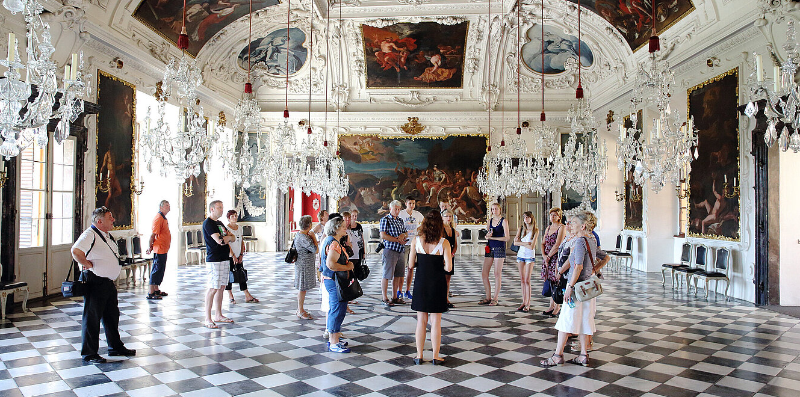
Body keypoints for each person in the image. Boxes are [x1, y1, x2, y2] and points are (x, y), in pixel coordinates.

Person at [540, 212, 606, 368]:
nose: (570, 225)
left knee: (565, 320)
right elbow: (603, 257)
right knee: (585, 320)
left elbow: (578, 266)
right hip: (588, 288)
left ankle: (557, 356)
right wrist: (593, 271)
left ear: (582, 226)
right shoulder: (591, 239)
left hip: (576, 288)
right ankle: (583, 355)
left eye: (574, 222)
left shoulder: (581, 241)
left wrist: (569, 287)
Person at [71, 206, 136, 364]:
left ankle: (115, 347)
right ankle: (89, 353)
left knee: (111, 316)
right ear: (99, 221)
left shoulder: (105, 235)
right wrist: (87, 264)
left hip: (107, 282)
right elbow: (76, 251)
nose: (113, 219)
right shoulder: (89, 234)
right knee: (92, 318)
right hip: (95, 281)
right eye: (109, 217)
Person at [409, 210, 453, 365]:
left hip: (421, 282)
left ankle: (419, 355)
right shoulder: (444, 243)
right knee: (436, 321)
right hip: (437, 283)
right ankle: (435, 356)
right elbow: (448, 268)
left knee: (421, 321)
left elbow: (410, 264)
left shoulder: (416, 240)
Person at [319, 217, 355, 353]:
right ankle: (333, 342)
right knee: (337, 309)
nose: (346, 228)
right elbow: (331, 265)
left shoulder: (331, 241)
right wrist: (348, 267)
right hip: (334, 281)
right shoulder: (333, 243)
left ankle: (334, 338)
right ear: (336, 229)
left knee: (338, 308)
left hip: (332, 280)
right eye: (343, 226)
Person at [202, 200, 236, 329]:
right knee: (213, 288)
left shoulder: (220, 223)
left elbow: (232, 237)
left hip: (224, 258)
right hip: (214, 259)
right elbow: (220, 241)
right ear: (212, 209)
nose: (222, 210)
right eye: (219, 208)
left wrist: (228, 238)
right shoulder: (208, 223)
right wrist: (227, 238)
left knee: (221, 287)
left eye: (222, 207)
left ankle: (218, 315)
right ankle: (207, 318)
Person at [379, 200, 408, 306]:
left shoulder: (400, 220)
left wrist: (403, 236)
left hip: (400, 250)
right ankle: (385, 297)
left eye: (399, 209)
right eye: (395, 209)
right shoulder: (385, 219)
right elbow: (383, 235)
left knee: (398, 275)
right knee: (387, 274)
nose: (397, 211)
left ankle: (395, 296)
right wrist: (397, 240)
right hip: (390, 249)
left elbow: (405, 232)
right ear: (390, 209)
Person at [225, 210, 258, 304]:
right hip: (230, 256)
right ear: (228, 218)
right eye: (232, 216)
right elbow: (227, 244)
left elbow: (241, 241)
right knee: (229, 275)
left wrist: (241, 254)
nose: (235, 218)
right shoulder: (227, 229)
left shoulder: (239, 228)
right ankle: (230, 295)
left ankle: (247, 295)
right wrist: (233, 256)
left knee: (241, 274)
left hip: (238, 254)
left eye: (236, 216)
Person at [479, 202, 509, 306]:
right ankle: (488, 297)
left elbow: (507, 238)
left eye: (496, 209)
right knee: (484, 273)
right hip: (490, 247)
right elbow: (487, 235)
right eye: (492, 209)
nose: (494, 211)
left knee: (497, 273)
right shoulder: (490, 221)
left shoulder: (504, 221)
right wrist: (488, 236)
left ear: (500, 210)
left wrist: (494, 238)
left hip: (499, 247)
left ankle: (495, 298)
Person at [541, 207, 566, 316]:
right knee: (550, 281)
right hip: (547, 257)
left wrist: (549, 256)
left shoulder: (562, 227)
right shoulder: (548, 227)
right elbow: (542, 243)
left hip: (556, 257)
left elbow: (558, 244)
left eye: (555, 215)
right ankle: (551, 305)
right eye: (551, 215)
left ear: (559, 216)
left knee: (556, 281)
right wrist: (544, 256)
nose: (552, 217)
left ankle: (557, 306)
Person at [513, 211, 539, 313]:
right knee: (522, 280)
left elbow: (532, 246)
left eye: (528, 217)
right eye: (524, 217)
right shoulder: (521, 229)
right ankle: (524, 301)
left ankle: (528, 303)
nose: (526, 219)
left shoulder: (535, 230)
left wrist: (521, 243)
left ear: (531, 218)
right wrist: (525, 243)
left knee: (527, 280)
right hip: (520, 255)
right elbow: (515, 243)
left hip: (529, 256)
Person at [145, 200, 171, 300]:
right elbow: (153, 235)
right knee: (156, 269)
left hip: (163, 248)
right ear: (161, 207)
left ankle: (156, 289)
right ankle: (151, 292)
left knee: (160, 269)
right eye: (166, 205)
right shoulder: (158, 218)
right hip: (159, 248)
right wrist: (150, 246)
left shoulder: (163, 218)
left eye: (169, 205)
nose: (168, 207)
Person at [294, 215, 318, 320]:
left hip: (304, 264)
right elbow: (316, 250)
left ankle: (300, 309)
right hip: (303, 265)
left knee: (303, 288)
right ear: (309, 225)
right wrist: (314, 237)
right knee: (302, 288)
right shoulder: (304, 238)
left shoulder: (300, 234)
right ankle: (300, 310)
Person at [400, 197, 424, 301]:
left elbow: (425, 222)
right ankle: (399, 290)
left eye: (413, 203)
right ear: (406, 204)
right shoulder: (401, 214)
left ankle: (407, 290)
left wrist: (419, 229)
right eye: (410, 203)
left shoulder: (417, 214)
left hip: (414, 244)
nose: (412, 205)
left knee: (411, 268)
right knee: (401, 269)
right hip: (404, 244)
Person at [441, 209, 457, 308]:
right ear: (442, 217)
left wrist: (452, 254)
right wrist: (444, 256)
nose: (448, 218)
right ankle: (439, 297)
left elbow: (455, 245)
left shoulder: (453, 230)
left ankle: (446, 299)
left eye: (450, 216)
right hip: (441, 257)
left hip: (450, 256)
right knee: (440, 278)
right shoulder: (440, 229)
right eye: (446, 216)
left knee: (448, 279)